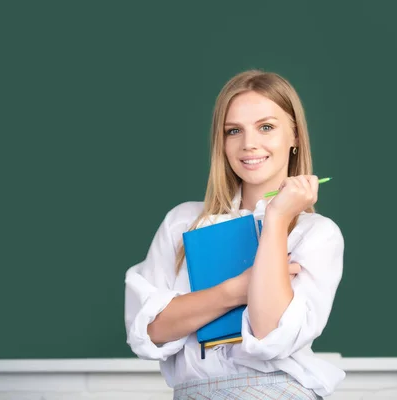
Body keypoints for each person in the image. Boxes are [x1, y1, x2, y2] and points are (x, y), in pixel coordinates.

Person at [125, 69, 345, 399]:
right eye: (233, 131)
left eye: (266, 127)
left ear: (295, 136)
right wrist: (236, 290)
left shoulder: (317, 234)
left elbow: (271, 333)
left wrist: (276, 219)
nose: (249, 144)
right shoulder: (182, 222)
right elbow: (151, 330)